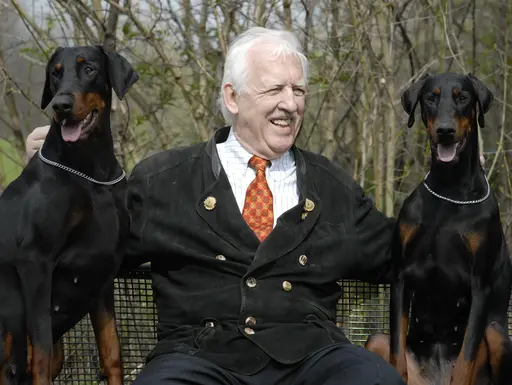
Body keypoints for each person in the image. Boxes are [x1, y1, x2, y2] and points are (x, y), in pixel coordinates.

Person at [26, 27, 405, 385]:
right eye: (274, 88)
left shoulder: (333, 187)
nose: (290, 103)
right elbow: (81, 251)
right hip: (197, 358)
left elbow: (411, 255)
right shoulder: (162, 181)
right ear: (232, 98)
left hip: (314, 358)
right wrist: (56, 180)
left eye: (299, 90)